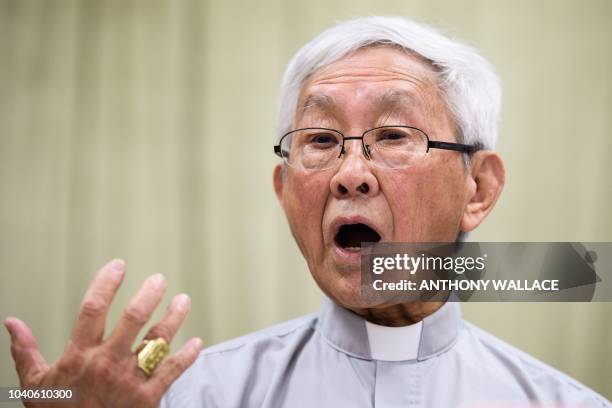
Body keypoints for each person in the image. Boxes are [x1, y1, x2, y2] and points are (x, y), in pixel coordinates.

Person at [5, 16, 610, 408]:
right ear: (284, 190)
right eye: (319, 140)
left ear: (477, 188)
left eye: (394, 135)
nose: (350, 174)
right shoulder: (187, 398)